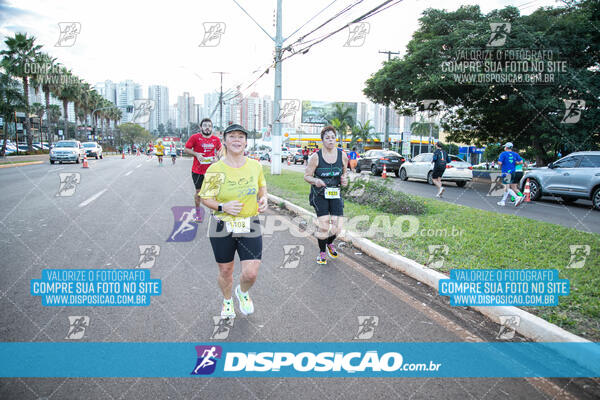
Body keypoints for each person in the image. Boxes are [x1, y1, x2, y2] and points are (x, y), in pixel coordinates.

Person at [199, 124, 268, 319]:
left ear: (246, 142)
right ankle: (227, 299)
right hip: (222, 226)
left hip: (249, 224)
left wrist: (264, 199)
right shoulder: (216, 169)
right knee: (226, 270)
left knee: (251, 273)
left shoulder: (255, 166)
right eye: (232, 136)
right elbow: (206, 198)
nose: (237, 140)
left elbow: (262, 188)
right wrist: (223, 207)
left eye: (240, 137)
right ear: (225, 142)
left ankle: (242, 292)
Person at [304, 126, 348, 265]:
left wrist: (345, 179)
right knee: (324, 226)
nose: (330, 140)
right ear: (322, 140)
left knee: (337, 227)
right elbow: (307, 176)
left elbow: (345, 173)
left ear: (336, 139)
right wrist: (315, 180)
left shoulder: (343, 156)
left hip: (335, 194)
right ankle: (322, 252)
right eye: (327, 138)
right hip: (319, 195)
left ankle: (329, 243)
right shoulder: (315, 157)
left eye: (332, 137)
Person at [185, 118, 222, 223]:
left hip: (211, 171)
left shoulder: (216, 139)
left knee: (213, 193)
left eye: (209, 126)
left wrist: (217, 157)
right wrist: (196, 154)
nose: (207, 128)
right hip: (197, 171)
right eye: (205, 126)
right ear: (201, 127)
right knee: (199, 193)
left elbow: (220, 150)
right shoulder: (195, 138)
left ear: (211, 128)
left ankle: (213, 213)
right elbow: (186, 149)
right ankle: (198, 214)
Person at [497, 142, 525, 207]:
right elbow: (521, 161)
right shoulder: (515, 154)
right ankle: (503, 201)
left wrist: (501, 162)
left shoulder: (503, 154)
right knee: (507, 187)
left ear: (506, 147)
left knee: (505, 187)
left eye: (505, 147)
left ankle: (517, 197)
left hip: (506, 172)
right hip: (513, 172)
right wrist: (515, 163)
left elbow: (500, 163)